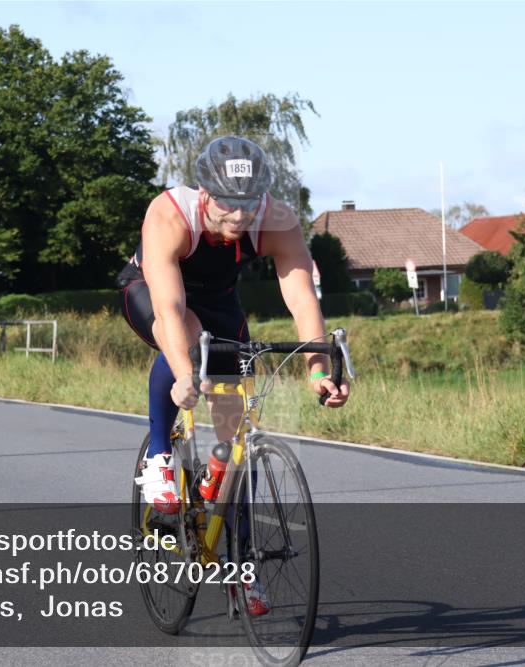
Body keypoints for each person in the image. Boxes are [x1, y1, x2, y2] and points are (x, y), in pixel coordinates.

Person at [117, 136, 350, 614]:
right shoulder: (170, 214)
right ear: (205, 194)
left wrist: (317, 370)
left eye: (249, 204)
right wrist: (185, 374)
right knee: (186, 336)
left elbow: (301, 296)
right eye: (227, 204)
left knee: (236, 435)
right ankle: (160, 457)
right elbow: (170, 308)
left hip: (220, 303)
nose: (240, 216)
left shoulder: (277, 218)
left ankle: (241, 569)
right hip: (153, 293)